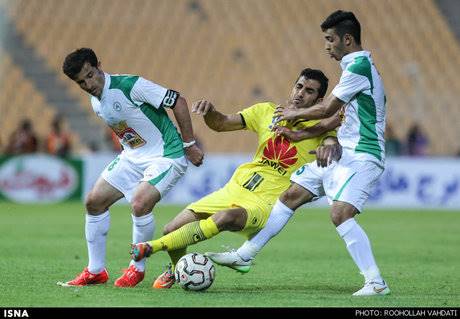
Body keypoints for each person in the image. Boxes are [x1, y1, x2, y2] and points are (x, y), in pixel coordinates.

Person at [206, 10, 390, 296]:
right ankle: (245, 255)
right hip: (348, 153)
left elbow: (327, 109)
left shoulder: (358, 68)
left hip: (364, 154)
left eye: (330, 40)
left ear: (348, 39)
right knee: (291, 195)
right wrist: (301, 134)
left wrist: (295, 113)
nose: (326, 46)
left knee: (340, 214)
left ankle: (376, 283)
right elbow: (335, 119)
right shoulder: (354, 68)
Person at [131, 68, 341, 289]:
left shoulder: (320, 129)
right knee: (172, 230)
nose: (300, 93)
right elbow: (221, 123)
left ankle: (150, 247)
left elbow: (331, 144)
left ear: (319, 101)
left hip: (265, 202)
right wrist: (210, 112)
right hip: (236, 187)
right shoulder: (266, 111)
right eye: (299, 86)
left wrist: (330, 149)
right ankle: (177, 271)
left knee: (226, 217)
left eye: (309, 91)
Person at [58, 48, 204, 288]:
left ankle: (137, 268)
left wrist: (189, 144)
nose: (88, 84)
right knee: (93, 202)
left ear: (99, 66)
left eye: (90, 75)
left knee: (139, 203)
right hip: (133, 157)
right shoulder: (95, 101)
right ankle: (96, 271)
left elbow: (178, 101)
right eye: (81, 82)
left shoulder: (130, 85)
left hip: (166, 155)